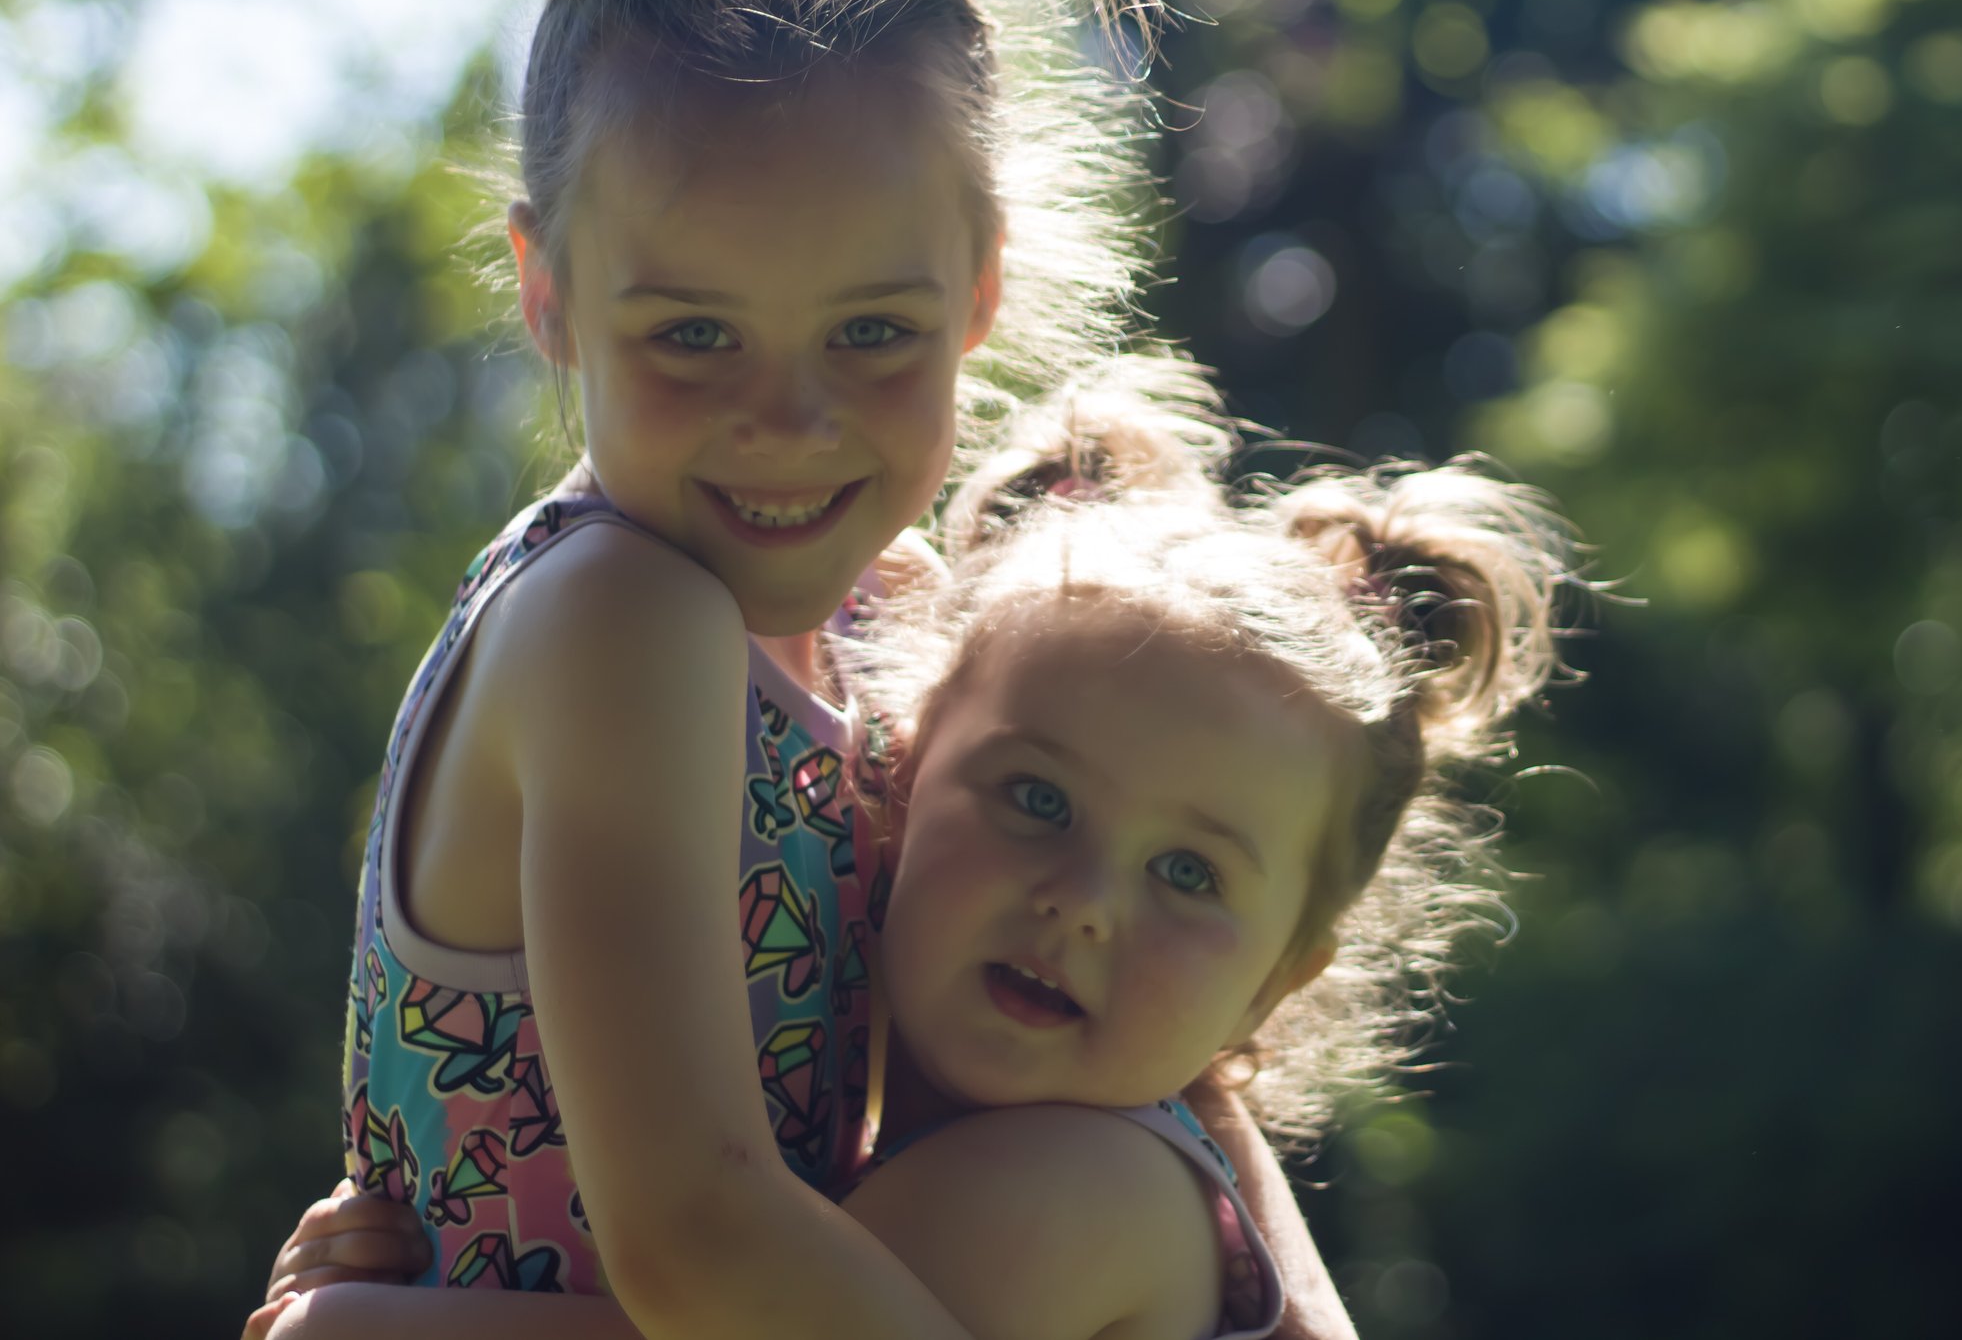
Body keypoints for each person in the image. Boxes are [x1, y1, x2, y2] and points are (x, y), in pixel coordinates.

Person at [246, 0, 1362, 1340]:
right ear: (549, 293)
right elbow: (699, 1243)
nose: (788, 419)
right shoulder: (619, 619)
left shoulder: (884, 614)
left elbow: (1151, 1080)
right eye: (694, 335)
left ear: (978, 293)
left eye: (872, 334)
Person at [253, 363, 1580, 1340]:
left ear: (1281, 979)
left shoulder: (1069, 1188)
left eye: (1190, 875)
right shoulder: (939, 1135)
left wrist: (366, 1326)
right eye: (1038, 802)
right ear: (895, 778)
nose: (1082, 905)